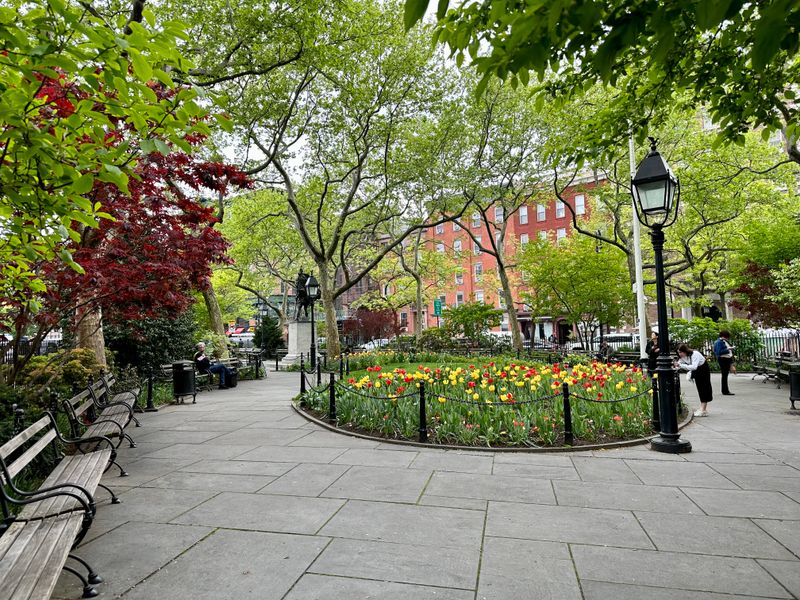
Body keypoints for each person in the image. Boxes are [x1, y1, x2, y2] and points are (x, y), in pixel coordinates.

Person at [677, 343, 713, 416]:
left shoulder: (695, 354)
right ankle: (703, 409)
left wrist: (680, 365)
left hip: (703, 369)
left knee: (704, 388)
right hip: (697, 370)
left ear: (685, 351)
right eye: (678, 352)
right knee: (700, 388)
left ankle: (703, 410)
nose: (680, 354)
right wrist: (677, 365)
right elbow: (679, 364)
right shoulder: (683, 357)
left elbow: (694, 367)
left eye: (681, 352)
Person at [713, 330, 735, 396]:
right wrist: (728, 349)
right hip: (723, 359)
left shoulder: (723, 341)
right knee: (724, 375)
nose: (727, 338)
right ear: (723, 336)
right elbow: (719, 352)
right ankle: (725, 391)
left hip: (726, 359)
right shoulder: (719, 342)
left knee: (725, 375)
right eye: (727, 337)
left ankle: (725, 390)